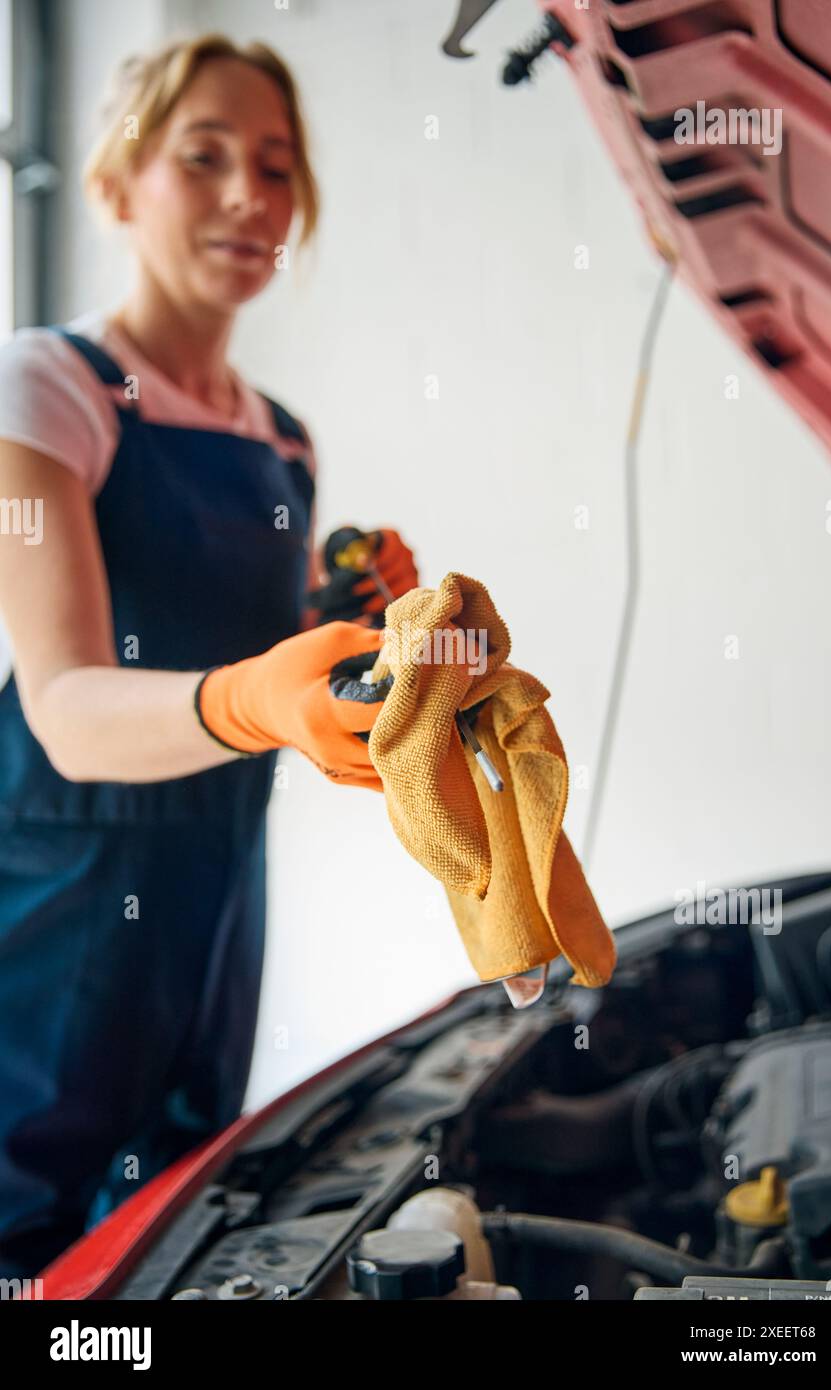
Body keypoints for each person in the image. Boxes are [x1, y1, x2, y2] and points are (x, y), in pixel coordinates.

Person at [0, 33, 418, 1279]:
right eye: (206, 157)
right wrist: (257, 693)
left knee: (177, 1228)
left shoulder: (283, 443)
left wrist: (351, 632)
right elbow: (69, 704)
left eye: (277, 167)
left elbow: (271, 667)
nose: (249, 195)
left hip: (218, 901)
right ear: (121, 187)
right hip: (56, 909)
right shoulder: (43, 392)